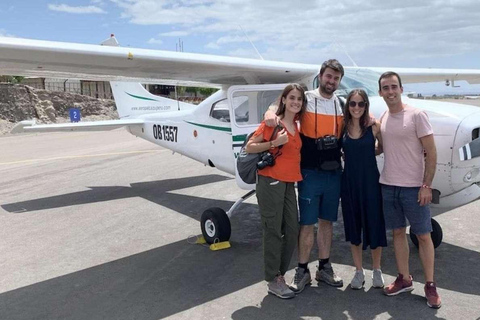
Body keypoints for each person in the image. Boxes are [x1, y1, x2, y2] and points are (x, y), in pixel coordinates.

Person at [265, 59, 345, 293]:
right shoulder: (306, 98)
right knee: (307, 223)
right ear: (321, 76)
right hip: (310, 172)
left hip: (334, 173)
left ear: (339, 81)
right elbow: (280, 105)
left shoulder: (341, 103)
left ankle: (324, 268)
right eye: (328, 76)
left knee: (327, 222)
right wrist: (270, 112)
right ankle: (302, 270)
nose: (331, 81)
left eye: (336, 78)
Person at [378, 71, 441, 309]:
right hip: (389, 185)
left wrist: (426, 185)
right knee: (397, 234)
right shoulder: (383, 117)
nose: (390, 91)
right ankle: (404, 278)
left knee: (423, 236)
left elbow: (431, 152)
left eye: (394, 86)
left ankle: (431, 285)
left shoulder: (417, 115)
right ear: (381, 92)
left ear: (401, 89)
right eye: (386, 87)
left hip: (414, 188)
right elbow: (383, 148)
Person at [246, 83, 306, 299]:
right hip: (270, 181)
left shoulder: (296, 124)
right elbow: (249, 146)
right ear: (284, 100)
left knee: (292, 229)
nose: (296, 102)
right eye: (292, 98)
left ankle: (278, 274)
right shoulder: (273, 122)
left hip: (289, 182)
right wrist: (274, 142)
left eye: (299, 98)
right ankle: (273, 279)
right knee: (272, 230)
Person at [340, 89, 387, 290]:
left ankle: (377, 270)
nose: (356, 107)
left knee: (374, 223)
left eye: (361, 104)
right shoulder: (342, 126)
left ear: (366, 105)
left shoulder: (374, 126)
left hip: (370, 181)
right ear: (348, 106)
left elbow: (382, 147)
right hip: (349, 182)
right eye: (353, 103)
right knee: (354, 226)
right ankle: (359, 271)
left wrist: (366, 152)